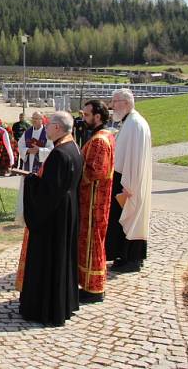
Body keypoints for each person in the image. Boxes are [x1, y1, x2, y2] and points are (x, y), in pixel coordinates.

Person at [18, 111, 82, 326]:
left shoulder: (59, 154)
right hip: (67, 211)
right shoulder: (73, 147)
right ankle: (64, 302)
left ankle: (45, 307)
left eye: (48, 124)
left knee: (50, 261)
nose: (45, 128)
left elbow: (48, 192)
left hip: (52, 218)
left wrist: (30, 181)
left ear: (57, 127)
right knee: (63, 259)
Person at [105, 88, 152, 273]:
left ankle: (132, 258)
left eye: (115, 101)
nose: (112, 105)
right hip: (124, 178)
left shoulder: (135, 124)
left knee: (131, 219)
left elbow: (135, 159)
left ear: (126, 103)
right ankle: (123, 255)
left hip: (129, 182)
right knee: (122, 221)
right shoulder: (129, 122)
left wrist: (128, 187)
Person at [78, 99, 115, 303]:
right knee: (91, 242)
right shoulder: (104, 135)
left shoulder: (100, 140)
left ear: (98, 117)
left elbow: (95, 171)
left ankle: (94, 289)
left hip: (94, 201)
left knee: (93, 243)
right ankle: (90, 285)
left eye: (87, 115)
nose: (84, 118)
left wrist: (74, 172)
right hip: (94, 200)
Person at [14, 111, 54, 224]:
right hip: (28, 166)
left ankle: (39, 214)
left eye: (37, 118)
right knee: (27, 190)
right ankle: (26, 214)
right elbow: (20, 145)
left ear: (42, 119)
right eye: (33, 118)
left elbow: (52, 149)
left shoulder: (47, 133)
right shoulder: (27, 132)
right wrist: (27, 151)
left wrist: (39, 150)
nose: (34, 120)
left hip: (40, 167)